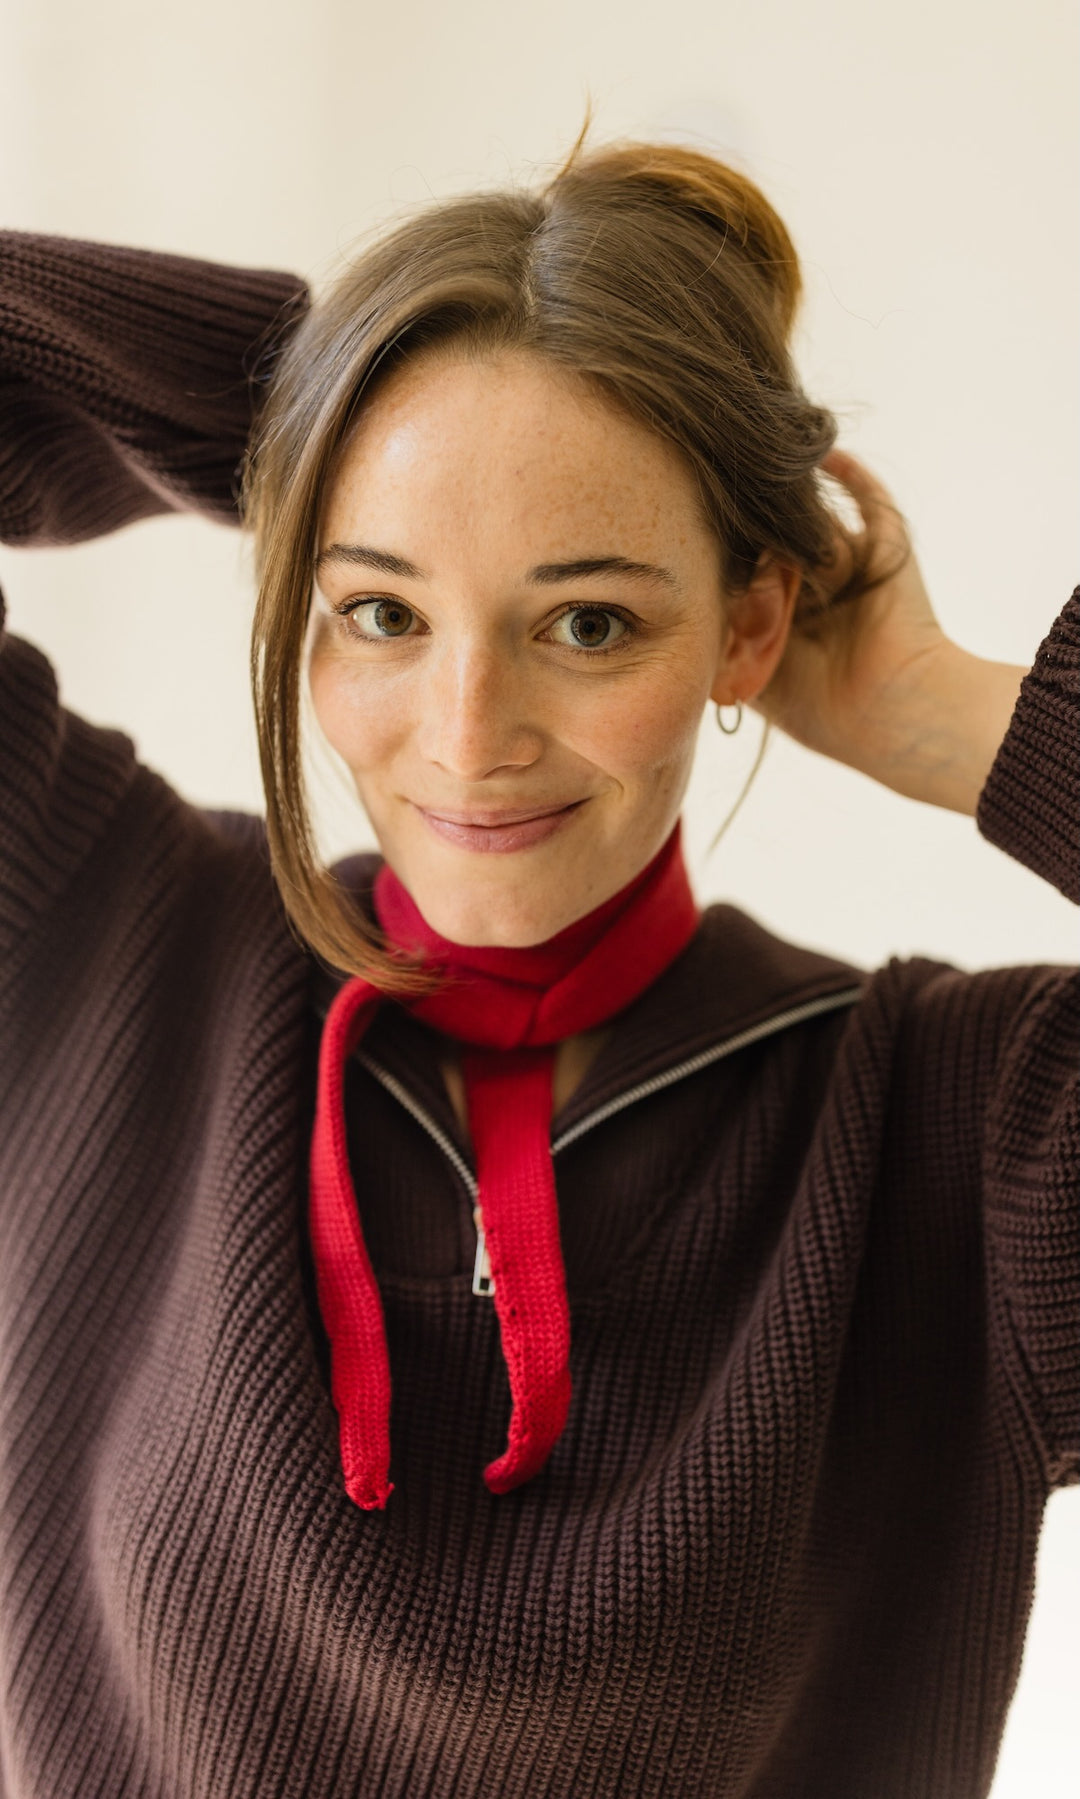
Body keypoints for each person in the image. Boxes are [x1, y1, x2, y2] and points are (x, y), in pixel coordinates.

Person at [0, 134, 1075, 1799]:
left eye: (587, 622)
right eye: (379, 612)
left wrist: (946, 712)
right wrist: (319, 388)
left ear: (750, 627)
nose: (468, 738)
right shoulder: (95, 925)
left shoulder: (963, 1143)